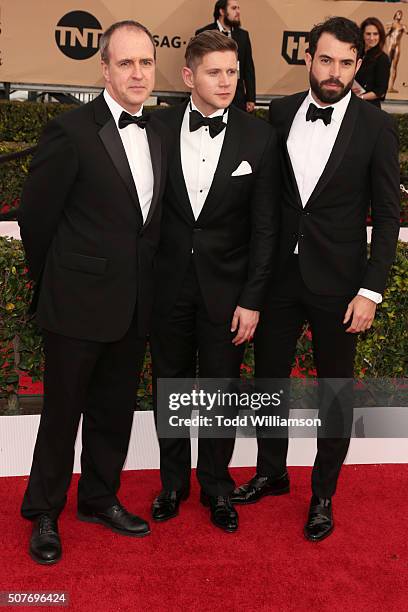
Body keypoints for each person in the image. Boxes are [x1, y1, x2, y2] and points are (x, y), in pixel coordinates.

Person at [231, 17, 400, 542]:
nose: (335, 73)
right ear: (308, 58)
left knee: (333, 393)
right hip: (280, 278)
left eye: (347, 63)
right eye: (326, 60)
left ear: (357, 65)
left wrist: (371, 289)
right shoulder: (279, 114)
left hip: (340, 285)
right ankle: (272, 472)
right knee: (268, 384)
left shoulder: (376, 127)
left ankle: (323, 493)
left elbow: (388, 216)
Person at [18, 20, 166, 564]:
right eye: (125, 63)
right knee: (63, 415)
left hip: (133, 305)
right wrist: (59, 280)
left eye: (145, 63)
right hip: (76, 304)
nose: (137, 73)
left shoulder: (157, 132)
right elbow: (36, 216)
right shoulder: (71, 130)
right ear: (104, 68)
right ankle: (44, 512)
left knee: (114, 412)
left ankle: (99, 499)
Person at [150, 30, 279, 533]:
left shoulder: (258, 136)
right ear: (188, 76)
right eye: (214, 72)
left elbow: (266, 227)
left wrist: (252, 298)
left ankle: (216, 487)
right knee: (172, 388)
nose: (226, 82)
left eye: (232, 72)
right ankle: (172, 484)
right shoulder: (156, 129)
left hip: (228, 292)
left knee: (222, 394)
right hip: (167, 286)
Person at [196, 1, 256, 112]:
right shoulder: (204, 33)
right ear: (222, 11)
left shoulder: (243, 35)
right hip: (211, 93)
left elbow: (248, 68)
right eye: (234, 8)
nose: (238, 12)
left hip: (237, 96)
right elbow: (197, 67)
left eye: (238, 8)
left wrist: (251, 98)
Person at [354, 17, 390, 108]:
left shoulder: (382, 58)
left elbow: (380, 91)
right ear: (362, 35)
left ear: (380, 35)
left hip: (369, 107)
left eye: (375, 34)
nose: (372, 38)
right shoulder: (356, 54)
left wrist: (360, 97)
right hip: (352, 104)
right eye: (368, 34)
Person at [386, 10, 407, 93]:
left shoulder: (402, 26)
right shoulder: (391, 24)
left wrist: (404, 28)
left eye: (401, 14)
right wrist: (389, 29)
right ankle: (384, 86)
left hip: (397, 47)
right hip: (391, 46)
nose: (400, 15)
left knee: (394, 67)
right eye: (399, 14)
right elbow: (385, 35)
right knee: (387, 66)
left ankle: (391, 87)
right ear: (395, 15)